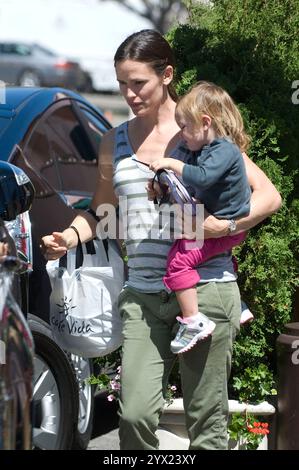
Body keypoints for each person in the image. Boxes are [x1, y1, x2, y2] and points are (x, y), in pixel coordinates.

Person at [41, 29, 282, 450]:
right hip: (143, 295)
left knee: (207, 422)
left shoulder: (197, 131)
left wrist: (224, 227)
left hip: (206, 289)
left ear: (167, 74)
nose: (129, 94)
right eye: (122, 84)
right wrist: (69, 236)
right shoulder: (112, 141)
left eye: (139, 83)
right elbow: (101, 213)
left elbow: (269, 196)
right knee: (133, 416)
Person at [148, 80, 252, 354]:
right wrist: (162, 184)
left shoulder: (224, 150)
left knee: (178, 262)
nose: (181, 134)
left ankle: (194, 321)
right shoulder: (204, 149)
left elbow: (203, 178)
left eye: (184, 127)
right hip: (219, 225)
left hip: (225, 226)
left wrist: (172, 164)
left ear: (205, 122)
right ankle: (237, 306)